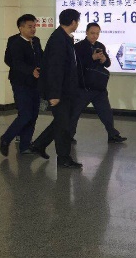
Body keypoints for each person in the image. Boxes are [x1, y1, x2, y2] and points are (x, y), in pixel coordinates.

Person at [30, 9, 83, 169]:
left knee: (61, 122)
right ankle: (63, 158)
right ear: (73, 22)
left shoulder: (64, 37)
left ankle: (39, 144)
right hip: (59, 92)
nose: (77, 24)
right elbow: (55, 69)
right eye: (77, 21)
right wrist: (54, 94)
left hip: (66, 90)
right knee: (64, 126)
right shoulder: (58, 39)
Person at [71, 22, 126, 143]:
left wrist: (103, 59)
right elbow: (77, 65)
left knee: (106, 112)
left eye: (97, 33)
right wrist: (92, 58)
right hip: (84, 87)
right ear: (86, 32)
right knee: (75, 113)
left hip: (99, 86)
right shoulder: (79, 47)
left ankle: (112, 134)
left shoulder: (100, 46)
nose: (95, 36)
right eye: (92, 33)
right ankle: (69, 136)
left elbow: (107, 64)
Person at [0, 14, 43, 157]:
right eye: (30, 27)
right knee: (25, 115)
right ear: (21, 28)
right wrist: (30, 70)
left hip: (35, 83)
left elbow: (41, 58)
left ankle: (25, 145)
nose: (33, 29)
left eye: (34, 26)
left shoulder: (36, 41)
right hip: (20, 83)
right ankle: (6, 138)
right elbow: (14, 62)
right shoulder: (16, 42)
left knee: (33, 115)